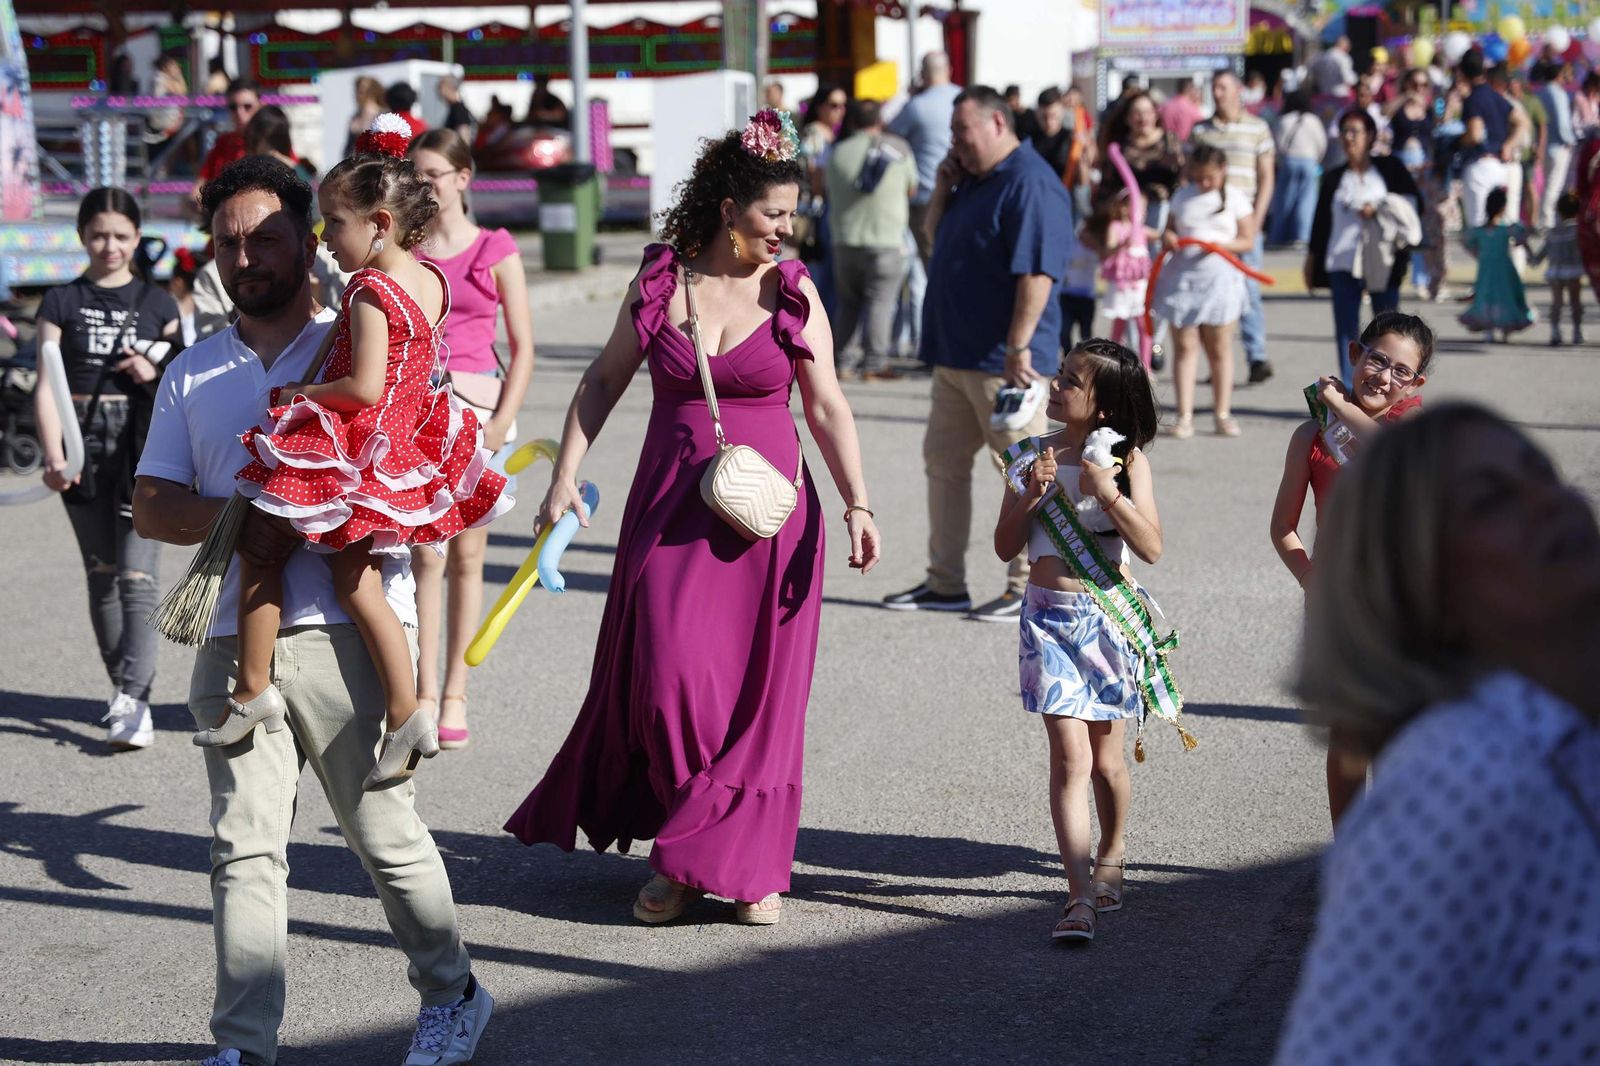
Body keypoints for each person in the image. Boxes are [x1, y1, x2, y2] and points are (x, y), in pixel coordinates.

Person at [132, 155, 495, 1066]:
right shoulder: (193, 372)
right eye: (227, 242)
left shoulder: (358, 333)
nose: (245, 255)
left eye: (267, 237)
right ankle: (245, 1047)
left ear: (310, 240)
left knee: (382, 834)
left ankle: (453, 992)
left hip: (348, 635)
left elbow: (417, 460)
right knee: (244, 854)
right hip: (232, 637)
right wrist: (259, 513)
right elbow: (152, 506)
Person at [503, 109, 881, 927]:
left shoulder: (793, 289)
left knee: (758, 698)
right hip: (670, 511)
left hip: (770, 519)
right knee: (672, 682)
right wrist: (564, 475)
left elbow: (828, 406)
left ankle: (739, 865)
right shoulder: (661, 281)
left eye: (792, 213)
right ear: (726, 207)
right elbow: (602, 382)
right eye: (772, 213)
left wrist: (857, 503)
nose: (787, 228)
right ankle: (689, 850)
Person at [1275, 403, 1600, 1066]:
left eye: (1539, 471)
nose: (1547, 501)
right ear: (1421, 587)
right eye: (1489, 503)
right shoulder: (1451, 786)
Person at [215, 118, 512, 791]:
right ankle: (398, 711)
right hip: (394, 449)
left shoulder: (371, 290)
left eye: (334, 223)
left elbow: (363, 385)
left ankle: (262, 692)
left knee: (272, 551)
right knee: (349, 579)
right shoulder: (430, 277)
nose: (324, 239)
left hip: (352, 449)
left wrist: (300, 390)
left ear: (379, 223)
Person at [991, 338, 1162, 942]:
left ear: (1107, 406)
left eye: (1071, 381)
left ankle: (1111, 856)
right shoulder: (1030, 454)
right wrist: (1032, 495)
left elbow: (1151, 547)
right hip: (1047, 620)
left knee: (1107, 762)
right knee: (1071, 759)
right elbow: (1004, 545)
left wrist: (1106, 490)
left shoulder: (1124, 459)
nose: (1056, 387)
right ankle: (1078, 895)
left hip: (1107, 621)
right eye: (1059, 375)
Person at [881, 86, 1071, 621]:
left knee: (1026, 472)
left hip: (1004, 361)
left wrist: (1019, 344)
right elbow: (933, 237)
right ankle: (945, 583)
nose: (954, 142)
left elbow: (1037, 273)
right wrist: (942, 189)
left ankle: (1030, 583)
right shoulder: (971, 179)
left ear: (996, 123)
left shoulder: (1031, 182)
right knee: (944, 465)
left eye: (962, 131)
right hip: (956, 356)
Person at [33, 187, 183, 751]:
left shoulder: (159, 302)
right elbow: (47, 380)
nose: (110, 246)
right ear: (81, 236)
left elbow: (181, 375)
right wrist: (54, 452)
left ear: (137, 237)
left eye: (121, 235)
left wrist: (152, 365)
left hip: (141, 442)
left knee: (138, 577)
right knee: (100, 573)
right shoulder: (60, 301)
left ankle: (134, 699)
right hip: (79, 438)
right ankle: (124, 692)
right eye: (99, 235)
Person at [1268, 311, 1432, 826]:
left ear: (1415, 383)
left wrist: (1338, 404)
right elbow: (1283, 529)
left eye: (1400, 371)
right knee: (1347, 738)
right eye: (1376, 359)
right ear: (1355, 354)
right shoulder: (1310, 437)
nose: (1383, 376)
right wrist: (1311, 580)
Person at [411, 127, 535, 747]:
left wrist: (498, 421)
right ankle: (422, 693)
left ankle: (455, 690)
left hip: (479, 415)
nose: (425, 185)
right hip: (419, 413)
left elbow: (524, 348)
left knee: (466, 556)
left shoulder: (494, 247)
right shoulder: (407, 247)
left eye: (434, 173)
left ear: (463, 177)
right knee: (424, 555)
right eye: (417, 174)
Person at [1305, 109, 1422, 382]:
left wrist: (1379, 208)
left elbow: (1412, 205)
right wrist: (1311, 260)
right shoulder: (1334, 177)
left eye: (1355, 131)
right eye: (1344, 131)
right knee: (1347, 332)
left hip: (1383, 261)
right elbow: (1321, 223)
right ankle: (1351, 393)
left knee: (1389, 330)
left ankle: (1388, 388)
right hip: (1342, 261)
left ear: (1370, 135)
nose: (1349, 137)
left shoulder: (1390, 169)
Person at [1152, 146, 1255, 438]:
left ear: (1222, 170)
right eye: (1199, 177)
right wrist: (1170, 237)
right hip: (1184, 279)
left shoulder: (1234, 198)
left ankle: (1222, 412)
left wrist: (1218, 244)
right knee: (1184, 347)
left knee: (1219, 347)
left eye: (1210, 177)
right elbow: (1168, 232)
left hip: (1220, 280)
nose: (1204, 183)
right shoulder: (1183, 196)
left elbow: (1247, 239)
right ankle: (1184, 415)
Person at [1191, 71, 1276, 383]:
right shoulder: (1200, 131)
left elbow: (1266, 175)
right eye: (1214, 87)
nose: (1218, 93)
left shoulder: (1258, 128)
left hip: (1244, 222)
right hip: (1211, 224)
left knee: (1247, 289)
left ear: (1239, 90)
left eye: (1223, 87)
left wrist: (1258, 216)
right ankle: (1218, 360)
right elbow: (1191, 174)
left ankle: (1257, 357)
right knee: (1213, 294)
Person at [825, 99, 917, 380]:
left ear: (851, 122)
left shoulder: (837, 151)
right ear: (880, 120)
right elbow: (912, 190)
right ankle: (875, 364)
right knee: (880, 302)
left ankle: (841, 362)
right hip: (886, 239)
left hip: (845, 239)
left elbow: (824, 188)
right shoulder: (898, 149)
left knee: (848, 302)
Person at [889, 52, 963, 266]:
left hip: (925, 196)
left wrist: (910, 96)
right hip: (962, 189)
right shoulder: (964, 98)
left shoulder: (917, 106)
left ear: (922, 74)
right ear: (949, 70)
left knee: (933, 262)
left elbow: (889, 131)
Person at [1080, 190, 1156, 367]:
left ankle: (1145, 365)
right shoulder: (1115, 227)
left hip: (1139, 285)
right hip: (1122, 284)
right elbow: (1107, 250)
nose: (1141, 212)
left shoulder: (1141, 230)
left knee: (1143, 325)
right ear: (1123, 207)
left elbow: (1158, 235)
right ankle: (1114, 363)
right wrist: (1122, 245)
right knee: (1119, 325)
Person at [1458, 48, 1527, 230]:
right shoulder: (1495, 96)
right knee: (1499, 226)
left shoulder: (1473, 99)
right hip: (1499, 166)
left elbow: (1475, 134)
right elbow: (1522, 122)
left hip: (1480, 165)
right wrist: (1508, 146)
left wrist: (1457, 141)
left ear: (1462, 72)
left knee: (1479, 229)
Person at [1384, 70, 1436, 295]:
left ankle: (1421, 278)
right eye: (1414, 84)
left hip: (1423, 168)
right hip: (1401, 166)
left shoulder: (1430, 109)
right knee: (1398, 220)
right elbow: (1384, 113)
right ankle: (1391, 274)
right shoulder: (1399, 107)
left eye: (1423, 85)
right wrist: (1404, 98)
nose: (1418, 89)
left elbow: (1437, 134)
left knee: (1421, 224)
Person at [1460, 186, 1534, 341]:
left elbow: (1466, 242)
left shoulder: (1480, 231)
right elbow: (1522, 238)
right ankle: (1505, 328)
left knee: (1486, 294)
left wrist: (1480, 255)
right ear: (1503, 207)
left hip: (1486, 268)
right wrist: (1529, 253)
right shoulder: (1506, 228)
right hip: (1503, 268)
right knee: (1506, 295)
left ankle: (1488, 328)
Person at [1268, 89, 1327, 247]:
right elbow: (1322, 143)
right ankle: (1302, 236)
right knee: (1306, 201)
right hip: (1309, 161)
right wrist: (1316, 160)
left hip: (1289, 161)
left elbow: (1277, 144)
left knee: (1284, 201)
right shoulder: (1313, 120)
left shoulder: (1283, 120)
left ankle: (1278, 237)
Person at [192, 79, 260, 208]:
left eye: (247, 107)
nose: (240, 113)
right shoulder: (223, 143)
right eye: (233, 107)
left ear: (261, 106)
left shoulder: (271, 140)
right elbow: (198, 189)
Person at [1532, 190, 1584, 345]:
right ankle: (1576, 331)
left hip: (1554, 271)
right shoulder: (1578, 231)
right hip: (1573, 269)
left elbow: (1539, 257)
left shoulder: (1552, 232)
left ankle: (1555, 331)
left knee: (1557, 303)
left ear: (1559, 211)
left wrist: (1527, 249)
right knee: (1575, 302)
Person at [1535, 61, 1577, 230]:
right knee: (1555, 185)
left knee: (1549, 184)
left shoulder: (1540, 93)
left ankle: (1546, 218)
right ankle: (1547, 220)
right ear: (1559, 75)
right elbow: (1562, 120)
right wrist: (1568, 139)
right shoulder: (1558, 94)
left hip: (1546, 145)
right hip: (1559, 145)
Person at [346, 75, 386, 157]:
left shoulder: (382, 115)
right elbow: (348, 149)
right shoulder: (355, 117)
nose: (357, 95)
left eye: (361, 91)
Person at [1158, 80, 1204, 144]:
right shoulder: (1192, 109)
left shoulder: (1165, 106)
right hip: (1185, 147)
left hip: (1167, 145)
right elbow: (1202, 129)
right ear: (1189, 90)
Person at [438, 76, 476, 143]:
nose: (439, 92)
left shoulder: (458, 109)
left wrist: (460, 152)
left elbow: (464, 135)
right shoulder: (456, 107)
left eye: (440, 87)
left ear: (449, 87)